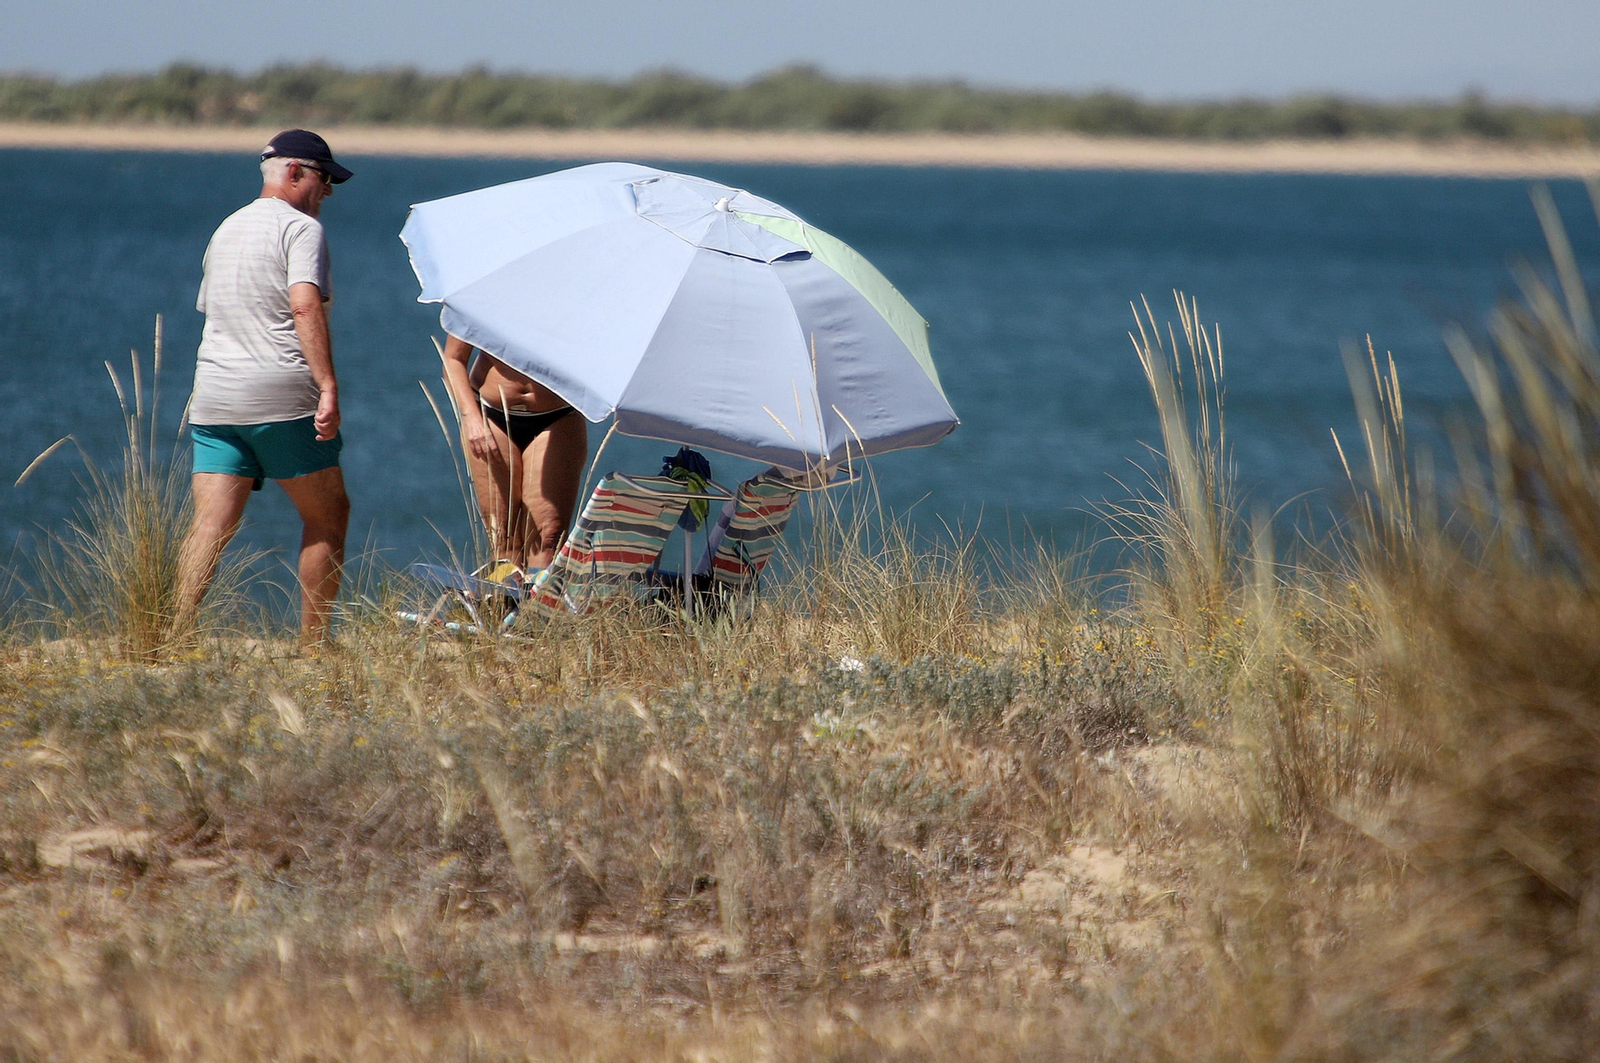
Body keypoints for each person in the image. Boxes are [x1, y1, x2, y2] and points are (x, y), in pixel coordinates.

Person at [174, 129, 353, 645]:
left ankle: (174, 635)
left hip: (213, 395)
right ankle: (313, 645)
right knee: (328, 514)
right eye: (324, 178)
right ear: (294, 173)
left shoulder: (226, 227)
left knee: (209, 524)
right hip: (279, 393)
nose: (329, 192)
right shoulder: (301, 230)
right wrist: (327, 386)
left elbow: (214, 310)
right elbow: (303, 305)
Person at [440, 335, 588, 574]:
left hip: (558, 415)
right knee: (503, 539)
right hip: (491, 415)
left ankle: (536, 610)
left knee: (548, 537)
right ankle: (505, 608)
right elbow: (453, 358)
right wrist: (470, 418)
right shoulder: (486, 296)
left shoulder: (575, 298)